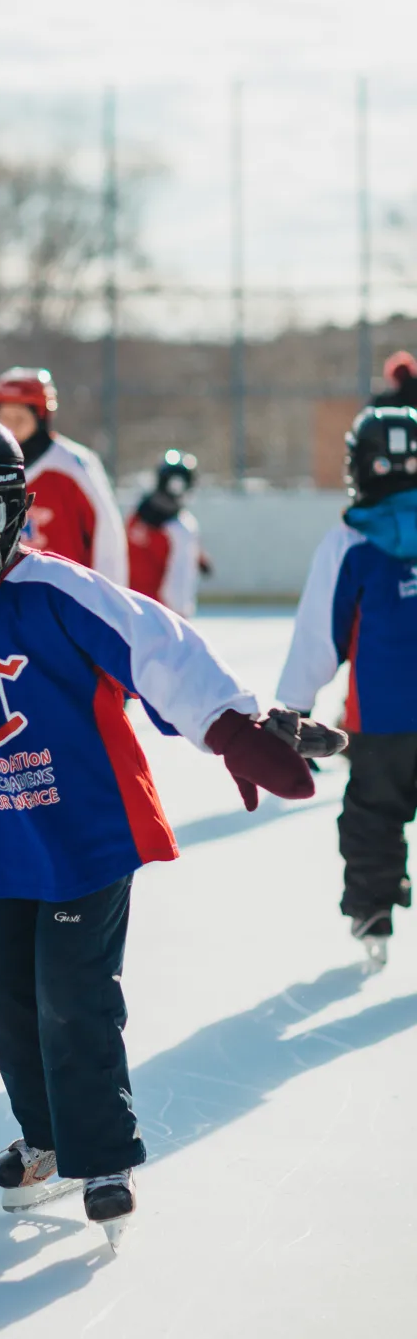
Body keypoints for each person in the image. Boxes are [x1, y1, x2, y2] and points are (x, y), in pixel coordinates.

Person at [0, 418, 341, 1245]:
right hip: (2, 849)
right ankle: (44, 1141)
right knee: (3, 999)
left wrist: (229, 726)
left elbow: (161, 653)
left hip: (88, 838)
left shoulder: (58, 593)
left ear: (3, 514)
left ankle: (103, 1154)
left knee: (71, 1000)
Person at [277, 406, 417, 966]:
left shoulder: (350, 543)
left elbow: (319, 634)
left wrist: (293, 707)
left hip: (381, 718)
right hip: (381, 717)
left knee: (373, 813)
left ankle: (373, 913)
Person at [0, 366, 128, 584]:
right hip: (7, 599)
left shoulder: (74, 464)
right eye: (5, 416)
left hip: (65, 595)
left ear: (41, 415)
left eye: (20, 417)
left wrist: (107, 596)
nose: (12, 426)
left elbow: (106, 536)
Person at [126, 450, 210, 618]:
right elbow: (179, 584)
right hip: (157, 614)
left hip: (127, 605)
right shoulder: (181, 528)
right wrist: (179, 617)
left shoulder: (138, 512)